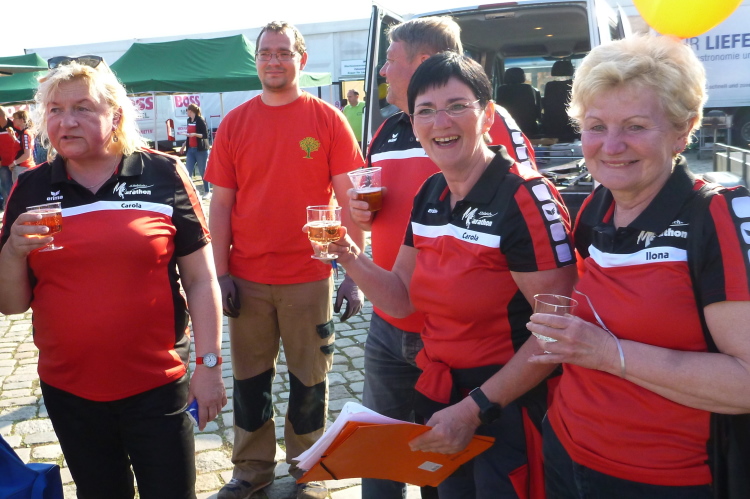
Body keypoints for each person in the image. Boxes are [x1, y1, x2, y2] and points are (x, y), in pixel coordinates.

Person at [329, 52, 577, 498]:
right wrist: (348, 254)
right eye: (425, 110)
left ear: (487, 116)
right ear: (413, 123)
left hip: (507, 408)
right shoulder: (431, 192)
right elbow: (401, 298)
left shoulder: (524, 197)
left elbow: (558, 332)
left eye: (457, 106)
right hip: (443, 401)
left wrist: (474, 409)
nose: (440, 122)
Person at [526, 35, 750, 498]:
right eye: (595, 126)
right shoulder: (597, 206)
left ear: (682, 131)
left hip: (664, 478)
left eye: (635, 126)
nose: (611, 146)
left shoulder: (716, 217)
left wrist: (609, 353)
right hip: (566, 450)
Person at [0, 55, 226, 498]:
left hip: (158, 386)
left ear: (116, 115)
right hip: (70, 391)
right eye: (55, 109)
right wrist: (11, 252)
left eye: (82, 108)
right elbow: (10, 304)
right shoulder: (30, 189)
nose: (66, 121)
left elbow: (201, 280)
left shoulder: (162, 173)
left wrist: (210, 366)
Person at [205, 21, 365, 499]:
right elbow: (220, 205)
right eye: (266, 53)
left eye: (283, 52)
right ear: (256, 61)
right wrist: (220, 273)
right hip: (247, 278)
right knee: (249, 381)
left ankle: (307, 468)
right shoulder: (235, 123)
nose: (273, 61)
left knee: (310, 381)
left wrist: (354, 275)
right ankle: (251, 470)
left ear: (301, 60)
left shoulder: (327, 120)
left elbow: (351, 199)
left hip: (309, 277)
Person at [179, 103, 211, 199]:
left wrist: (194, 134)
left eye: (187, 111)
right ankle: (188, 192)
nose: (186, 113)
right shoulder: (189, 120)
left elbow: (205, 135)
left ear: (191, 111)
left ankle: (207, 191)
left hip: (200, 150)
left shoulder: (200, 120)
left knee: (202, 171)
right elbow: (189, 135)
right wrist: (183, 146)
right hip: (190, 150)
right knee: (187, 171)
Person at [10, 110, 36, 183]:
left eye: (15, 118)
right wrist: (13, 137)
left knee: (20, 189)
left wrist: (14, 163)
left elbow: (27, 154)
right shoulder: (24, 133)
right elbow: (21, 146)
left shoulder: (25, 133)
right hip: (24, 166)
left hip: (23, 167)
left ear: (21, 120)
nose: (13, 120)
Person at [0, 109, 19, 208]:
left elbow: (21, 144)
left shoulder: (15, 126)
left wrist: (16, 162)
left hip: (17, 163)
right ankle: (9, 208)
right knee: (6, 187)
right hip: (3, 163)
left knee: (18, 187)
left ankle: (18, 207)